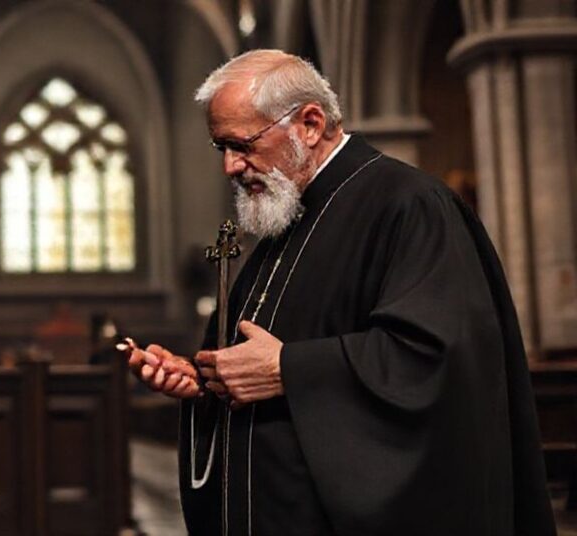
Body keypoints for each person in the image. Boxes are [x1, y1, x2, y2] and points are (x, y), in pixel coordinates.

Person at [123, 50, 555, 535]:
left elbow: (436, 359)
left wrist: (288, 369)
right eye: (219, 148)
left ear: (309, 123)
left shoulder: (410, 205)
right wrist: (207, 383)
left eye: (240, 144)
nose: (230, 166)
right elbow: (258, 361)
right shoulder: (287, 217)